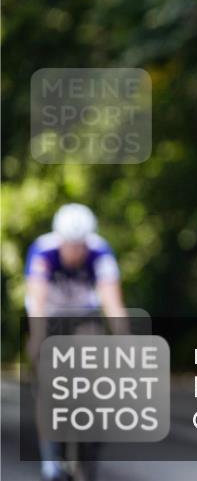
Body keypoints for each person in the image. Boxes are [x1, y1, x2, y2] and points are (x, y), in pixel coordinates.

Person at [25, 203, 128, 481]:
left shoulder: (100, 252)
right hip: (49, 316)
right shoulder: (43, 251)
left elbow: (112, 303)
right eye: (69, 246)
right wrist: (37, 340)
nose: (74, 252)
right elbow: (37, 303)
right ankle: (50, 457)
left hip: (83, 315)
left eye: (80, 246)